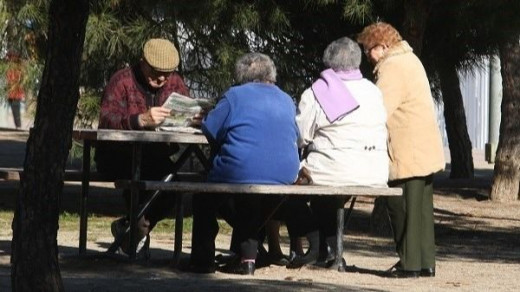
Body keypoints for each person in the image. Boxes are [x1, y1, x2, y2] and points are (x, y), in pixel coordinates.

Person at [188, 52, 319, 275]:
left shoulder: (234, 96)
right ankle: (247, 255)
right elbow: (295, 135)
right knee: (251, 197)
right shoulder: (287, 99)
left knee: (203, 196)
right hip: (284, 175)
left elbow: (211, 129)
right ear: (271, 75)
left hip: (238, 172)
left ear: (241, 76)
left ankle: (203, 261)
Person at [357, 22, 445, 278]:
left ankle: (409, 264)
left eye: (368, 50)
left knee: (401, 206)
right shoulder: (410, 59)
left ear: (382, 46)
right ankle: (425, 261)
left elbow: (380, 109)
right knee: (421, 211)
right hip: (423, 147)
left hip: (408, 149)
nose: (367, 57)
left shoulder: (392, 67)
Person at [295, 37, 389, 269]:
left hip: (333, 169)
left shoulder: (316, 92)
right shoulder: (373, 91)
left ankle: (322, 246)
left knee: (295, 183)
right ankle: (330, 250)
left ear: (328, 62)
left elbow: (299, 136)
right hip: (374, 170)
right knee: (324, 194)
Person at [95, 38, 190, 258]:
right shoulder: (121, 81)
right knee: (141, 184)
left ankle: (131, 230)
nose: (161, 79)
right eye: (156, 72)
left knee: (172, 186)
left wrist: (193, 118)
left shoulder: (175, 82)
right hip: (118, 156)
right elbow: (107, 119)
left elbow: (186, 107)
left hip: (156, 156)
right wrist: (140, 120)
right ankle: (133, 232)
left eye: (167, 73)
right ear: (142, 62)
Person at [6, 51, 25, 130]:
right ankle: (18, 125)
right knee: (14, 107)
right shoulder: (11, 67)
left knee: (15, 107)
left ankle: (18, 125)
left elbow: (19, 79)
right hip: (12, 91)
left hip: (16, 92)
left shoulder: (18, 68)